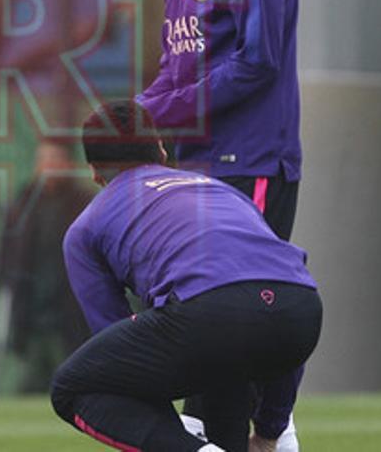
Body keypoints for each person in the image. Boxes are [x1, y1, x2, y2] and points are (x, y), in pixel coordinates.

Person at [136, 0, 303, 450]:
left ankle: (265, 434)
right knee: (215, 341)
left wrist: (165, 113)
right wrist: (130, 117)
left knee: (241, 328)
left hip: (251, 165)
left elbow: (257, 63)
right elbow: (179, 68)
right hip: (200, 169)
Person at [49, 100, 322, 452]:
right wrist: (270, 432)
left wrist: (172, 442)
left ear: (94, 171)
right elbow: (277, 296)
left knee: (72, 387)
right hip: (302, 309)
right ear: (161, 150)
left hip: (208, 315)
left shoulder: (85, 228)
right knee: (227, 362)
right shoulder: (219, 189)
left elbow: (121, 364)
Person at [0, 140, 92, 392]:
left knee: (71, 377)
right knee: (30, 380)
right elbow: (7, 252)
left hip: (70, 312)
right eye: (43, 160)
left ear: (68, 164)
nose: (47, 167)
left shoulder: (83, 205)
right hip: (32, 310)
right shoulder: (23, 205)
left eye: (53, 160)